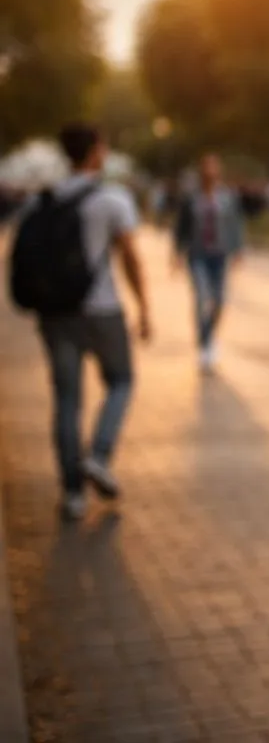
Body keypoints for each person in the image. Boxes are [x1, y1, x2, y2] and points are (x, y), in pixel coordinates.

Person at [25, 124, 151, 520]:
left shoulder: (45, 199)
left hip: (56, 314)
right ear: (96, 151)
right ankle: (99, 454)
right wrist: (144, 305)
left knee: (66, 401)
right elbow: (129, 256)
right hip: (101, 310)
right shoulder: (112, 198)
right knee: (121, 380)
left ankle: (73, 495)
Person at [173, 153, 245, 372]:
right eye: (206, 168)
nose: (210, 172)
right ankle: (204, 344)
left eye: (214, 167)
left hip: (220, 254)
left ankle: (209, 335)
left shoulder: (227, 196)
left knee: (220, 301)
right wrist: (176, 252)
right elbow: (181, 227)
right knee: (202, 298)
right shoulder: (191, 197)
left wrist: (238, 250)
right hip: (198, 255)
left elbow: (235, 224)